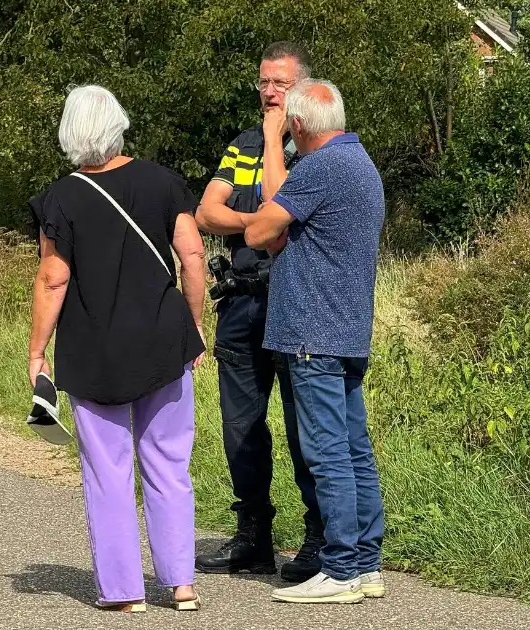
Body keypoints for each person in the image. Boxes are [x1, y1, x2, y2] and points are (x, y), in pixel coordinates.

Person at [27, 85, 207, 613]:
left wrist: (37, 351)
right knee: (170, 463)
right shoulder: (162, 181)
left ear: (70, 133)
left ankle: (125, 592)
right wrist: (191, 326)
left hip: (94, 349)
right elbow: (192, 255)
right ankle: (182, 584)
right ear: (119, 124)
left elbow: (53, 279)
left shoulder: (61, 198)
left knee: (107, 470)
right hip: (161, 340)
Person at [243, 79, 387, 604]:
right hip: (348, 329)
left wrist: (268, 140)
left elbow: (260, 232)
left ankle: (342, 567)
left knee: (327, 453)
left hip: (312, 331)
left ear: (297, 125)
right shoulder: (361, 162)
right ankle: (366, 562)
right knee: (353, 449)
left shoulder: (321, 167)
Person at [193, 41, 325, 582]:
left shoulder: (318, 147)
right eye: (264, 82)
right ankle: (253, 535)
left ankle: (318, 536)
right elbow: (206, 210)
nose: (270, 92)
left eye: (281, 83)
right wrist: (257, 224)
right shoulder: (245, 144)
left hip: (294, 301)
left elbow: (286, 212)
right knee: (241, 427)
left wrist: (254, 217)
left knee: (305, 426)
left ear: (302, 90)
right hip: (243, 300)